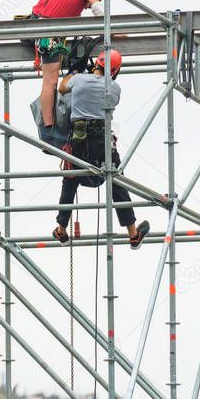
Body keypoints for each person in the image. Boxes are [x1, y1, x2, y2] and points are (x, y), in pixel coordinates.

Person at [51, 48, 152, 249]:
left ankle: (61, 229)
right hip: (102, 142)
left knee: (70, 179)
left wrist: (75, 72)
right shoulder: (114, 88)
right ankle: (133, 234)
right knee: (116, 181)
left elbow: (62, 88)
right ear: (114, 71)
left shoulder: (78, 80)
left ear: (97, 63)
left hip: (79, 140)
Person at [29, 0, 103, 128]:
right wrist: (114, 30)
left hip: (36, 21)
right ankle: (48, 128)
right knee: (51, 80)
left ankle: (48, 125)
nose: (87, 7)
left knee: (50, 80)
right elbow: (97, 10)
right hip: (46, 29)